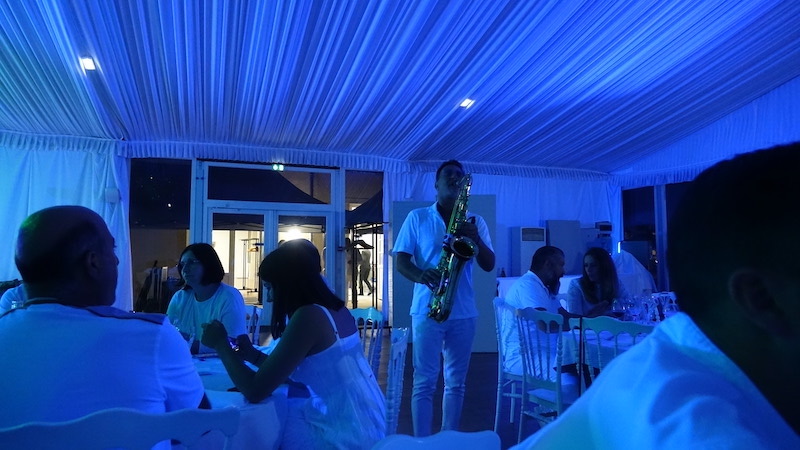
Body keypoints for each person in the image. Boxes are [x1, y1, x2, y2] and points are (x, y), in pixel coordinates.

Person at [513, 143, 800, 448]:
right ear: (761, 299)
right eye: (564, 265)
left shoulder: (665, 355)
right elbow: (551, 322)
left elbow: (573, 316)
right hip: (540, 359)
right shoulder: (702, 432)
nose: (569, 269)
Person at [0, 205, 208, 440]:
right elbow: (200, 428)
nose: (117, 260)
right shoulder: (152, 337)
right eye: (112, 249)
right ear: (93, 262)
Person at [201, 239, 385, 450]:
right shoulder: (333, 309)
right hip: (367, 419)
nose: (270, 297)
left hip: (344, 433)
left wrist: (221, 344)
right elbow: (289, 370)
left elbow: (255, 391)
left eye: (270, 287)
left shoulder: (309, 317)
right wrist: (251, 354)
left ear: (288, 284)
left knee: (263, 432)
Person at [393, 159, 496, 436]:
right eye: (448, 174)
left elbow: (489, 264)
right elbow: (401, 261)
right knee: (424, 381)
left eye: (459, 175)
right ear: (436, 184)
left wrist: (476, 239)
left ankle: (448, 439)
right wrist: (421, 275)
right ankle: (422, 442)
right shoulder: (417, 217)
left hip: (464, 312)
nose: (454, 178)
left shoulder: (475, 221)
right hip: (427, 309)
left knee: (456, 383)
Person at [167, 243, 247, 354]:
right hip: (185, 360)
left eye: (192, 262)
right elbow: (167, 334)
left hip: (220, 362)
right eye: (182, 264)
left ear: (208, 264)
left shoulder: (229, 297)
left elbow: (234, 344)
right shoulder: (180, 297)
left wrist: (188, 345)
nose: (185, 269)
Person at [502, 246, 571, 375]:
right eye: (561, 265)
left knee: (579, 367)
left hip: (542, 352)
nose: (563, 271)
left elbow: (564, 315)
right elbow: (545, 324)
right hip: (524, 356)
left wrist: (593, 318)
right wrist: (582, 324)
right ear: (548, 264)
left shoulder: (543, 286)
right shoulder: (528, 286)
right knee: (570, 375)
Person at [566, 247, 629, 317]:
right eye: (586, 265)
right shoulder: (576, 285)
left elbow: (628, 310)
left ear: (604, 267)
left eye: (593, 265)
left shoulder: (615, 284)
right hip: (589, 325)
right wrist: (594, 315)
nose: (588, 270)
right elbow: (575, 320)